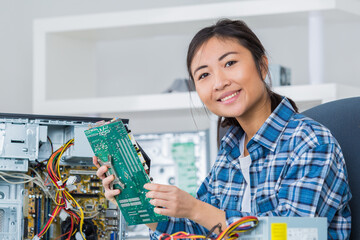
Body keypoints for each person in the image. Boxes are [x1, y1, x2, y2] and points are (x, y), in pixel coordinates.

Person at [93, 19, 351, 239]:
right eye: (204, 75)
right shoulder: (231, 151)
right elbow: (200, 229)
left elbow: (295, 234)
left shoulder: (310, 141)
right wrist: (137, 201)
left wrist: (194, 208)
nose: (220, 82)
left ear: (262, 65)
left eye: (229, 63)